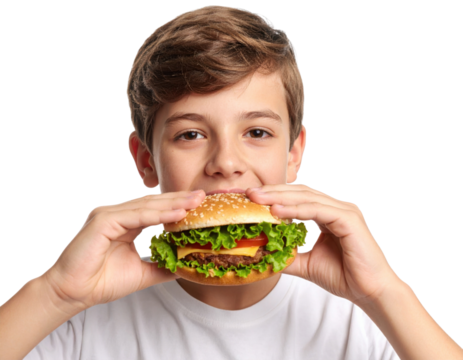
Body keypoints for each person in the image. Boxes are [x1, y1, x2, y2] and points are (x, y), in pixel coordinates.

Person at [1, 4, 462, 360]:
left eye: (257, 132)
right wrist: (54, 293)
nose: (225, 162)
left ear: (294, 152)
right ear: (146, 161)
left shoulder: (363, 320)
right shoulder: (80, 319)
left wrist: (384, 293)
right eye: (190, 134)